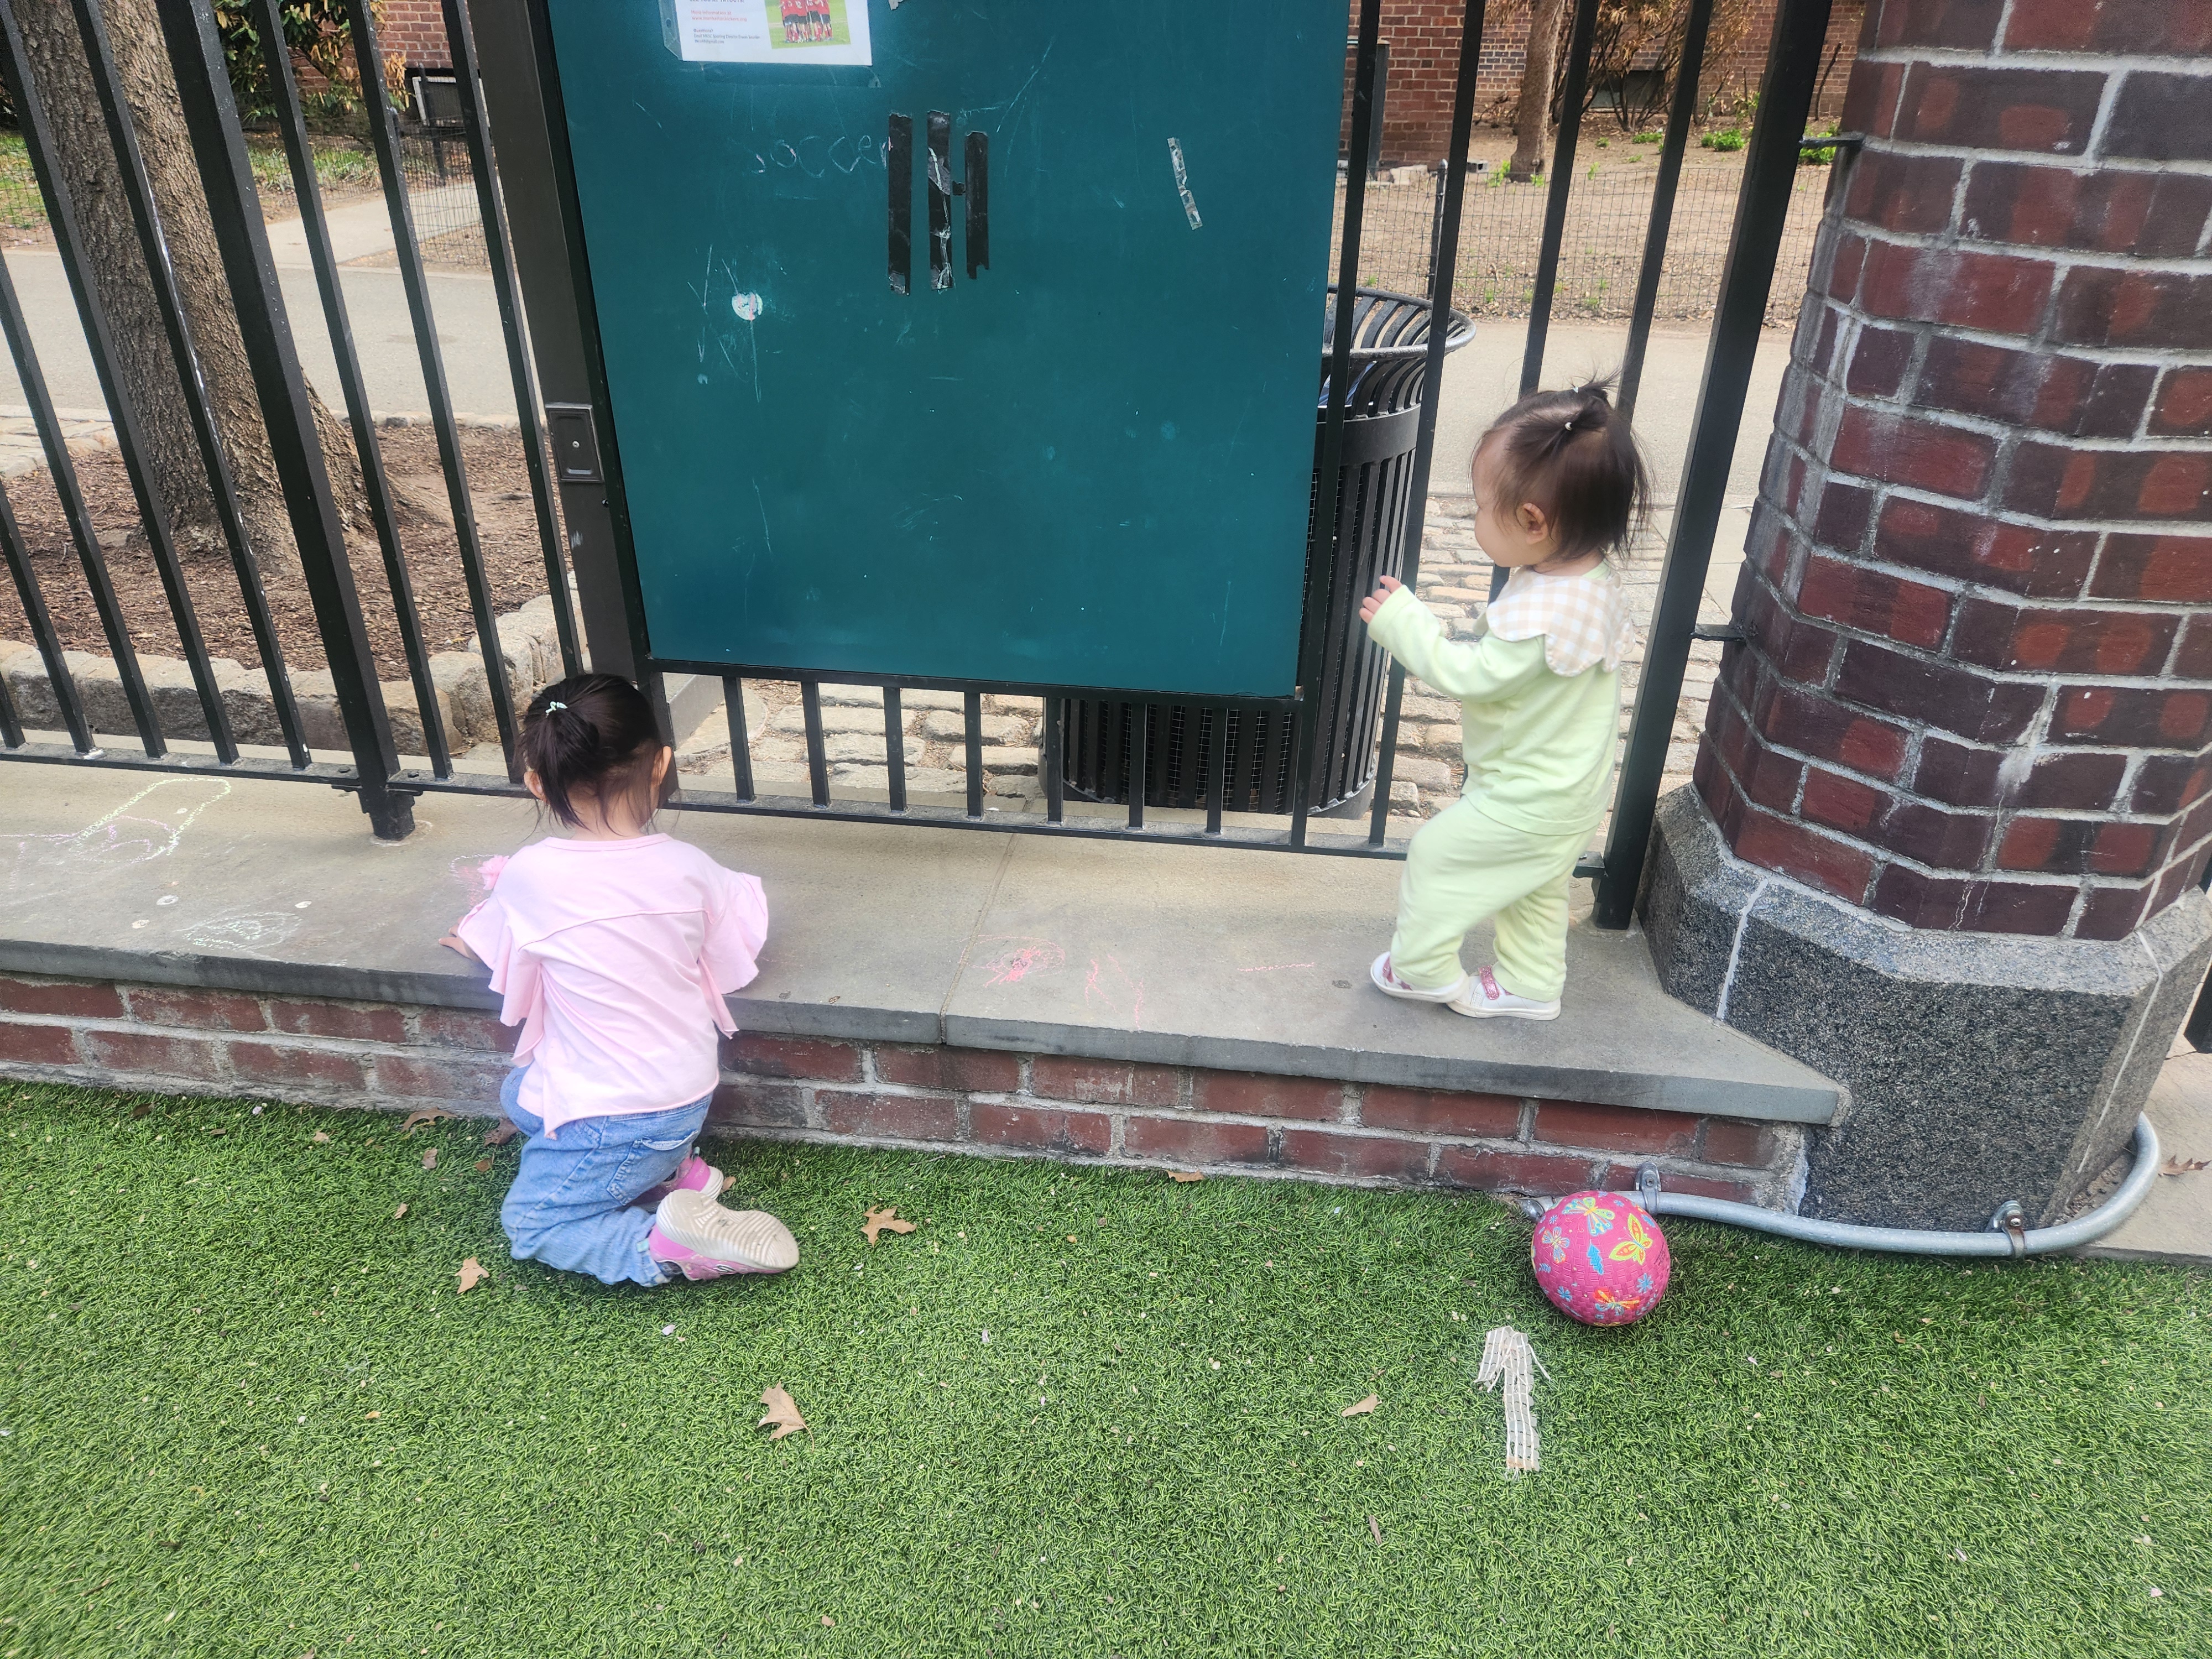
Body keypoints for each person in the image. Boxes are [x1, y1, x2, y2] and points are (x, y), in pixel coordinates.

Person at [442, 674, 798, 1285]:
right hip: (681, 1095)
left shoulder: (530, 875)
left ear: (537, 783)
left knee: (533, 1226)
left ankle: (665, 1247)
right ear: (661, 765)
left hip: (612, 1117)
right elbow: (736, 953)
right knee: (518, 1095)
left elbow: (492, 945)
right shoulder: (690, 868)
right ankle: (671, 1174)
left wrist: (467, 934)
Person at [1359, 379, 1648, 1022]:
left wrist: (1404, 623)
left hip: (1527, 798)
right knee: (1534, 887)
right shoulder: (1587, 581)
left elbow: (1469, 674)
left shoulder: (1542, 618)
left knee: (1436, 856)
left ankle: (1420, 969)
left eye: (1481, 508)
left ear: (1533, 521)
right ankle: (1531, 984)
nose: (1475, 519)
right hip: (1567, 792)